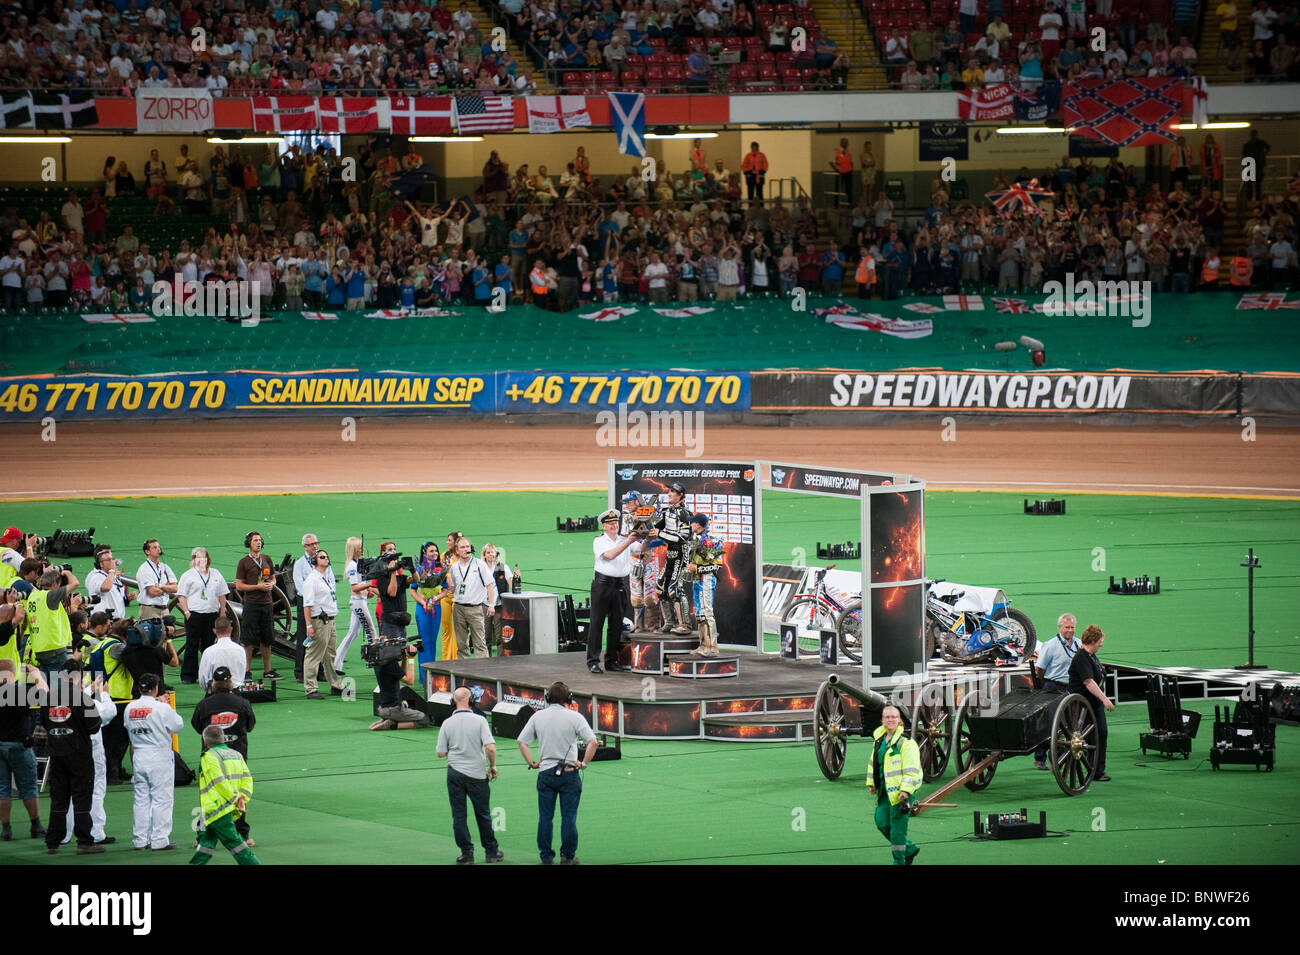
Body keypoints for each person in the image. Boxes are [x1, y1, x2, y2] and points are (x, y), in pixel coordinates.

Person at [516, 681, 599, 865]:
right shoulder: (574, 717)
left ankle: (546, 856)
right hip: (569, 772)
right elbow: (593, 742)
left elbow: (522, 741)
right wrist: (584, 764)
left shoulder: (538, 717)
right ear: (568, 699)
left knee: (545, 817)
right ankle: (567, 856)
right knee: (569, 817)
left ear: (547, 698)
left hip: (545, 772)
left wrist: (532, 762)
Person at [41, 664, 104, 855]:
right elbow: (94, 727)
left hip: (56, 753)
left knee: (59, 798)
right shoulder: (83, 698)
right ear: (81, 675)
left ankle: (53, 840)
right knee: (81, 797)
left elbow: (44, 722)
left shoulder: (49, 697)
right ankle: (84, 840)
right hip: (79, 754)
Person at [436, 686, 503, 864]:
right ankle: (491, 851)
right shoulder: (480, 721)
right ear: (471, 701)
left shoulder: (447, 723)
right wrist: (493, 766)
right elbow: (490, 747)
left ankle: (466, 853)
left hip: (455, 773)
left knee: (459, 815)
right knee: (483, 814)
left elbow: (440, 753)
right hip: (477, 774)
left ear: (453, 702)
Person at [191, 666, 256, 845]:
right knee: (238, 795)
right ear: (230, 683)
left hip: (211, 757)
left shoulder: (203, 705)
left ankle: (202, 837)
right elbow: (250, 726)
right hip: (236, 756)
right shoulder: (242, 703)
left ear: (213, 683)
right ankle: (242, 835)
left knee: (210, 797)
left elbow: (197, 727)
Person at [125, 672, 185, 850]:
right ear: (156, 688)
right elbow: (177, 725)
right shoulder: (161, 708)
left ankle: (140, 839)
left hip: (139, 755)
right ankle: (159, 839)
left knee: (141, 799)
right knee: (162, 798)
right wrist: (166, 706)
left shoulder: (130, 707)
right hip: (158, 755)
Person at [189, 724, 260, 865]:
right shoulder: (237, 755)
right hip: (223, 808)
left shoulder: (208, 756)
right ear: (223, 739)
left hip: (217, 809)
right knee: (205, 843)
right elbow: (247, 778)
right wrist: (242, 798)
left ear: (205, 741)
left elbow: (218, 781)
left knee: (237, 845)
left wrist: (235, 798)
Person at [865, 704, 923, 865]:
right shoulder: (879, 741)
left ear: (900, 721)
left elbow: (913, 770)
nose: (891, 720)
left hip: (902, 794)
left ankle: (900, 861)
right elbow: (874, 763)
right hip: (884, 792)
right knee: (881, 822)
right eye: (887, 717)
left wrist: (905, 790)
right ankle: (909, 849)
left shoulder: (906, 743)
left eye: (894, 717)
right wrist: (872, 783)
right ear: (883, 720)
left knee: (898, 829)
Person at [587, 509, 642, 674]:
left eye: (616, 523)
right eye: (611, 524)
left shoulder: (624, 539)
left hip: (620, 585)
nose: (614, 526)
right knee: (597, 624)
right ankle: (593, 661)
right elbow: (610, 555)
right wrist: (628, 541)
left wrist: (649, 538)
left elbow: (639, 549)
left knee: (616, 625)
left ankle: (611, 660)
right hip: (602, 585)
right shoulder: (599, 541)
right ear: (604, 526)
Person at [0, 658, 46, 842]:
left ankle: (6, 829)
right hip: (20, 745)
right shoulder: (19, 692)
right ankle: (35, 825)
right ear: (12, 674)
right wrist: (37, 675)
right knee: (27, 787)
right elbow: (44, 694)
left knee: (2, 789)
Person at [1032, 613, 1080, 769]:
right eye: (1067, 627)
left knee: (1068, 724)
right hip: (1053, 687)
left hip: (1071, 688)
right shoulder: (1050, 645)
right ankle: (1040, 757)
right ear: (1060, 627)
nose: (1070, 630)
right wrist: (1047, 681)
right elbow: (1040, 669)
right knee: (1047, 723)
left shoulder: (1079, 644)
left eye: (1072, 627)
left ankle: (1062, 755)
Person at [176, 546, 229, 685]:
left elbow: (222, 595)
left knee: (209, 645)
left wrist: (222, 613)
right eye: (198, 558)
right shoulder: (187, 575)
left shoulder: (216, 573)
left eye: (204, 557)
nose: (201, 560)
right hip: (195, 615)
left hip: (212, 614)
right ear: (194, 560)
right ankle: (188, 675)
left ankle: (209, 674)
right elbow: (181, 596)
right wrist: (187, 612)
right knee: (191, 645)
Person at [1069, 624, 1113, 782]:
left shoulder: (1091, 656)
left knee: (1100, 734)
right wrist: (1105, 699)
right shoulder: (1082, 657)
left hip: (1092, 704)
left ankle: (1097, 769)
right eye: (1100, 640)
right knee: (1097, 734)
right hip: (1084, 705)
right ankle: (1096, 771)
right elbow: (1088, 682)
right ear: (1093, 640)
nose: (1102, 643)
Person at [301, 546, 345, 700]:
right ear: (315, 561)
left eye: (326, 556)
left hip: (330, 620)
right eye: (322, 557)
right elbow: (307, 605)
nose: (326, 558)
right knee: (314, 655)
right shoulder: (312, 580)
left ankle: (335, 684)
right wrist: (308, 625)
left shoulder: (326, 577)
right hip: (319, 621)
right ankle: (311, 688)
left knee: (330, 654)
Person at [235, 532, 280, 680]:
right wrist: (257, 588)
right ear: (249, 543)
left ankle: (268, 670)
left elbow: (273, 578)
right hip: (251, 604)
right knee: (248, 639)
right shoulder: (243, 562)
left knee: (267, 638)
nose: (258, 543)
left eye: (260, 540)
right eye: (255, 540)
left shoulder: (266, 559)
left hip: (267, 604)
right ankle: (247, 671)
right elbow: (239, 585)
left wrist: (271, 584)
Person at [24, 566, 80, 679]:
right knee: (57, 688)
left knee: (48, 687)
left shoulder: (34, 595)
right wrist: (67, 572)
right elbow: (75, 583)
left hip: (40, 649)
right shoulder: (51, 596)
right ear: (55, 583)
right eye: (59, 584)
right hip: (54, 649)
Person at [654, 483, 694, 635]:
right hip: (670, 554)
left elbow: (682, 538)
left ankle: (685, 625)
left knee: (674, 589)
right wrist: (643, 521)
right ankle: (669, 623)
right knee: (660, 588)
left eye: (673, 492)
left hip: (681, 555)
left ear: (681, 496)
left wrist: (659, 534)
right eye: (669, 490)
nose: (669, 493)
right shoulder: (665, 512)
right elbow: (654, 527)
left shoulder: (685, 514)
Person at [448, 537, 497, 658]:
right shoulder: (454, 568)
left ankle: (482, 673)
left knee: (480, 643)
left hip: (475, 608)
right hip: (458, 608)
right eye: (462, 547)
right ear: (457, 551)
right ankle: (463, 674)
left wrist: (491, 605)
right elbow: (453, 587)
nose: (466, 549)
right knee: (461, 644)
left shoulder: (480, 564)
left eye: (468, 547)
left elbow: (490, 585)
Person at [370, 637, 431, 731]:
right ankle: (392, 725)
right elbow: (410, 680)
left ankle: (385, 720)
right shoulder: (390, 664)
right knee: (424, 719)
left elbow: (401, 675)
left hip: (382, 708)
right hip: (393, 709)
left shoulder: (379, 663)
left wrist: (404, 659)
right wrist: (411, 658)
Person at [683, 513, 723, 656]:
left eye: (692, 523)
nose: (690, 525)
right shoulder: (694, 539)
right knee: (699, 614)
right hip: (696, 579)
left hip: (706, 580)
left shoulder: (712, 540)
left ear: (698, 525)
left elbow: (717, 566)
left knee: (707, 613)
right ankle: (702, 645)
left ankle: (712, 647)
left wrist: (698, 568)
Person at [292, 532, 326, 682]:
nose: (315, 546)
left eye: (316, 543)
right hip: (306, 602)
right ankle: (300, 671)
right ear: (305, 547)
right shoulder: (299, 564)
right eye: (312, 544)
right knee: (304, 636)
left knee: (322, 637)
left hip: (321, 603)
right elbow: (300, 586)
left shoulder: (323, 561)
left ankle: (320, 671)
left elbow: (329, 580)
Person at [135, 539, 178, 633]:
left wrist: (161, 587)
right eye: (154, 547)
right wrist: (167, 587)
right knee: (151, 640)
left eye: (158, 547)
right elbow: (152, 592)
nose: (158, 549)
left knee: (164, 640)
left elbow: (175, 588)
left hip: (165, 609)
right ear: (147, 551)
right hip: (150, 610)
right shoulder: (144, 569)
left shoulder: (165, 567)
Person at [84, 545, 136, 622]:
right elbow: (106, 588)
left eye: (112, 558)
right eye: (109, 559)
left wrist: (127, 599)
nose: (113, 561)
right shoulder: (95, 576)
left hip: (117, 620)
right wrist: (112, 570)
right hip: (103, 622)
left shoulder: (111, 575)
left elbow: (114, 598)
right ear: (101, 563)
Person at [198, 614, 247, 689]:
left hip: (215, 692)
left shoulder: (208, 652)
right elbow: (242, 675)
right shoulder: (240, 650)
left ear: (214, 631)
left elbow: (203, 679)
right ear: (231, 629)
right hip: (235, 691)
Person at [831, 137, 854, 207]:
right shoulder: (836, 151)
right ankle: (836, 204)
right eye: (844, 142)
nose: (846, 144)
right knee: (837, 188)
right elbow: (831, 161)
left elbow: (851, 161)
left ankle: (850, 204)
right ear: (841, 143)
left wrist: (851, 168)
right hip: (840, 172)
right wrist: (836, 169)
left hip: (848, 172)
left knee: (849, 188)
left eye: (847, 143)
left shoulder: (848, 151)